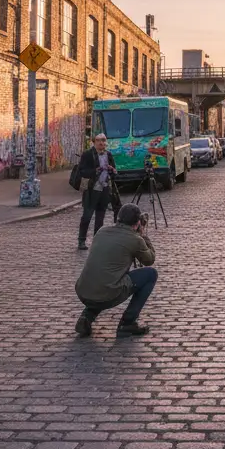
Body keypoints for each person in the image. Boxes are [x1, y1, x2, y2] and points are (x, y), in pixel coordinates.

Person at [74, 204, 157, 338]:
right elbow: (149, 259)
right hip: (107, 293)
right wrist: (143, 236)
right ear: (137, 223)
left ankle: (86, 317)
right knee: (150, 274)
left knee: (105, 278)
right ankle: (127, 322)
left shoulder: (102, 231)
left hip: (83, 291)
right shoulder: (135, 239)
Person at [76, 133, 119, 250]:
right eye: (99, 140)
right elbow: (82, 171)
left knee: (100, 216)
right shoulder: (88, 154)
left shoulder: (108, 154)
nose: (102, 143)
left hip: (105, 188)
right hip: (91, 189)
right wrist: (95, 171)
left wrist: (112, 170)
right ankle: (81, 240)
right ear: (93, 142)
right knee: (87, 215)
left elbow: (114, 171)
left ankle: (97, 240)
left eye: (104, 140)